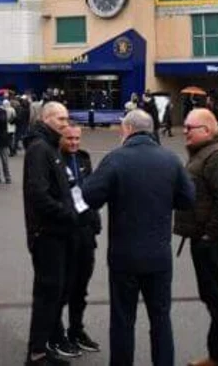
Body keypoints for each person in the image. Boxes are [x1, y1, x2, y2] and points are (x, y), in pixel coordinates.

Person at [81, 109, 195, 366]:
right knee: (161, 318)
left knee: (123, 320)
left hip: (124, 256)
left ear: (128, 130)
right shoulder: (170, 159)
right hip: (159, 255)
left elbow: (89, 196)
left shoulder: (116, 159)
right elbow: (188, 199)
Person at [174, 108, 218, 366]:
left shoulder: (217, 157)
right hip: (207, 238)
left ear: (207, 130)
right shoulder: (204, 153)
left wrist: (208, 234)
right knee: (213, 297)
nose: (184, 131)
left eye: (189, 128)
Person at [23, 102, 78, 365]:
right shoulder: (39, 149)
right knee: (47, 293)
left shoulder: (51, 146)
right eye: (59, 118)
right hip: (46, 234)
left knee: (54, 292)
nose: (64, 123)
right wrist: (66, 213)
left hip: (58, 232)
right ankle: (37, 353)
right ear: (45, 119)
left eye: (67, 118)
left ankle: (44, 346)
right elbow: (38, 194)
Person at [52, 124, 102, 356]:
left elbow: (89, 192)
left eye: (77, 138)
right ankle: (56, 334)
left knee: (81, 287)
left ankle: (76, 330)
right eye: (69, 138)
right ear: (60, 138)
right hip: (65, 231)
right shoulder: (53, 160)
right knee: (63, 287)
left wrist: (94, 221)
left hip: (86, 231)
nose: (73, 142)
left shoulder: (84, 158)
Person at [0, 98, 14, 184]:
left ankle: (7, 177)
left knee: (4, 159)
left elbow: (1, 120)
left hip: (1, 139)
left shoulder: (2, 112)